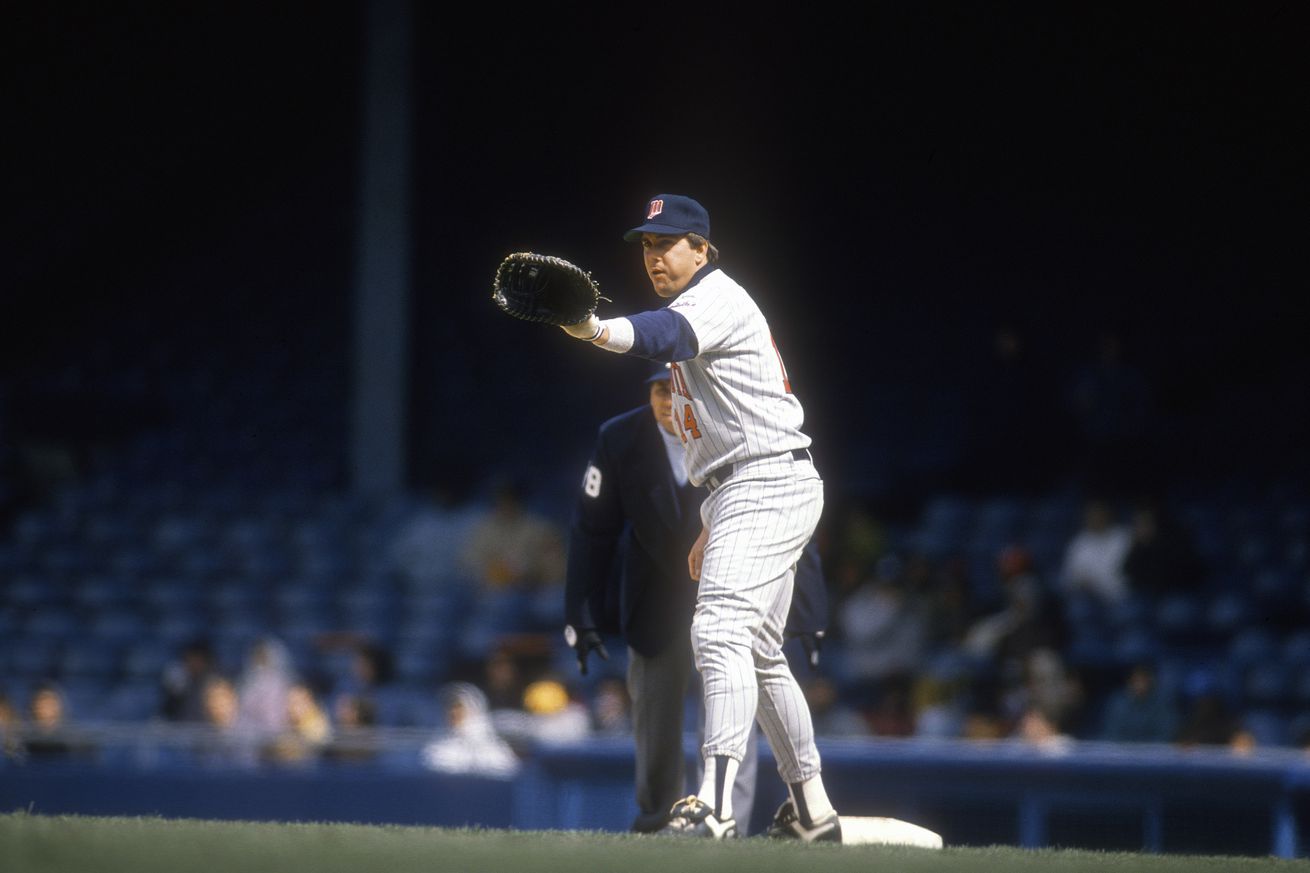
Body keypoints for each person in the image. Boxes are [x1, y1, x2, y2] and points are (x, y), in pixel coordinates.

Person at [557, 193, 839, 841]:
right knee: (762, 656)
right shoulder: (697, 309)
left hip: (767, 478)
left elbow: (658, 335)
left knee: (715, 627)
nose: (654, 256)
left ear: (702, 249)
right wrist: (713, 517)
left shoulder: (714, 296)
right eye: (647, 246)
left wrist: (591, 327)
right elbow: (724, 431)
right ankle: (814, 810)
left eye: (667, 242)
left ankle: (711, 802)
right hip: (753, 480)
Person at [564, 364, 830, 833]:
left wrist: (809, 614)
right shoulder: (621, 436)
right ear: (648, 392)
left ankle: (726, 822)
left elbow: (787, 525)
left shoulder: (732, 429)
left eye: (676, 388)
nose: (668, 400)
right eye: (659, 390)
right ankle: (658, 825)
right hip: (655, 604)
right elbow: (593, 530)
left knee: (733, 706)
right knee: (655, 725)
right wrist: (581, 613)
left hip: (737, 591)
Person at [421, 681, 520, 778]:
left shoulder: (494, 748)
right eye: (450, 707)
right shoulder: (438, 747)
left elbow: (507, 775)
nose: (453, 712)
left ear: (474, 708)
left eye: (459, 707)